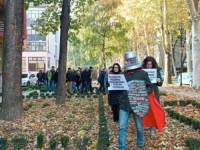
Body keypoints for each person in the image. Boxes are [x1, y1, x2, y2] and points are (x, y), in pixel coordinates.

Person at [118, 51, 153, 150]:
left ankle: (140, 143)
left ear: (132, 60)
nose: (125, 62)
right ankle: (121, 147)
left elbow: (150, 87)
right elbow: (118, 87)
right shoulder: (123, 74)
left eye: (127, 60)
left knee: (139, 127)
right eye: (125, 60)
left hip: (137, 104)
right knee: (122, 127)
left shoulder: (142, 73)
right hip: (124, 105)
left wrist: (142, 91)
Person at [142, 56, 163, 137]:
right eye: (147, 64)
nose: (148, 66)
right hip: (145, 92)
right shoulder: (142, 70)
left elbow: (160, 83)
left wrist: (159, 81)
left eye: (150, 64)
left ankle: (152, 129)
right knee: (144, 111)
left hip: (154, 93)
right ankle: (142, 127)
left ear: (153, 64)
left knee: (153, 111)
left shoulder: (156, 71)